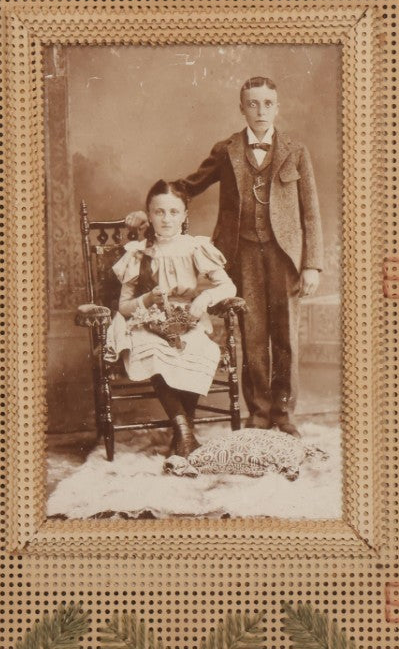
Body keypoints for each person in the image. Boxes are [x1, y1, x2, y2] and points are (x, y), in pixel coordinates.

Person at [177, 76, 323, 437]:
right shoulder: (226, 149)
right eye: (253, 103)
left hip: (285, 256)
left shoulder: (296, 150)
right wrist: (155, 201)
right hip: (241, 255)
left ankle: (283, 413)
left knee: (285, 336)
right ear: (241, 107)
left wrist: (312, 265)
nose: (261, 111)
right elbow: (190, 185)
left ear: (278, 106)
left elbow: (311, 214)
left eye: (268, 103)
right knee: (252, 333)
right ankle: (258, 412)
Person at [105, 179, 237, 457]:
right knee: (151, 351)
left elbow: (228, 286)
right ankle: (185, 434)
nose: (166, 219)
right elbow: (125, 306)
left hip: (186, 318)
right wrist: (148, 299)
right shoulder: (138, 252)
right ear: (149, 215)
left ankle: (182, 437)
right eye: (159, 212)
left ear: (185, 215)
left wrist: (204, 298)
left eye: (174, 212)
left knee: (199, 349)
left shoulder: (194, 247)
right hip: (147, 321)